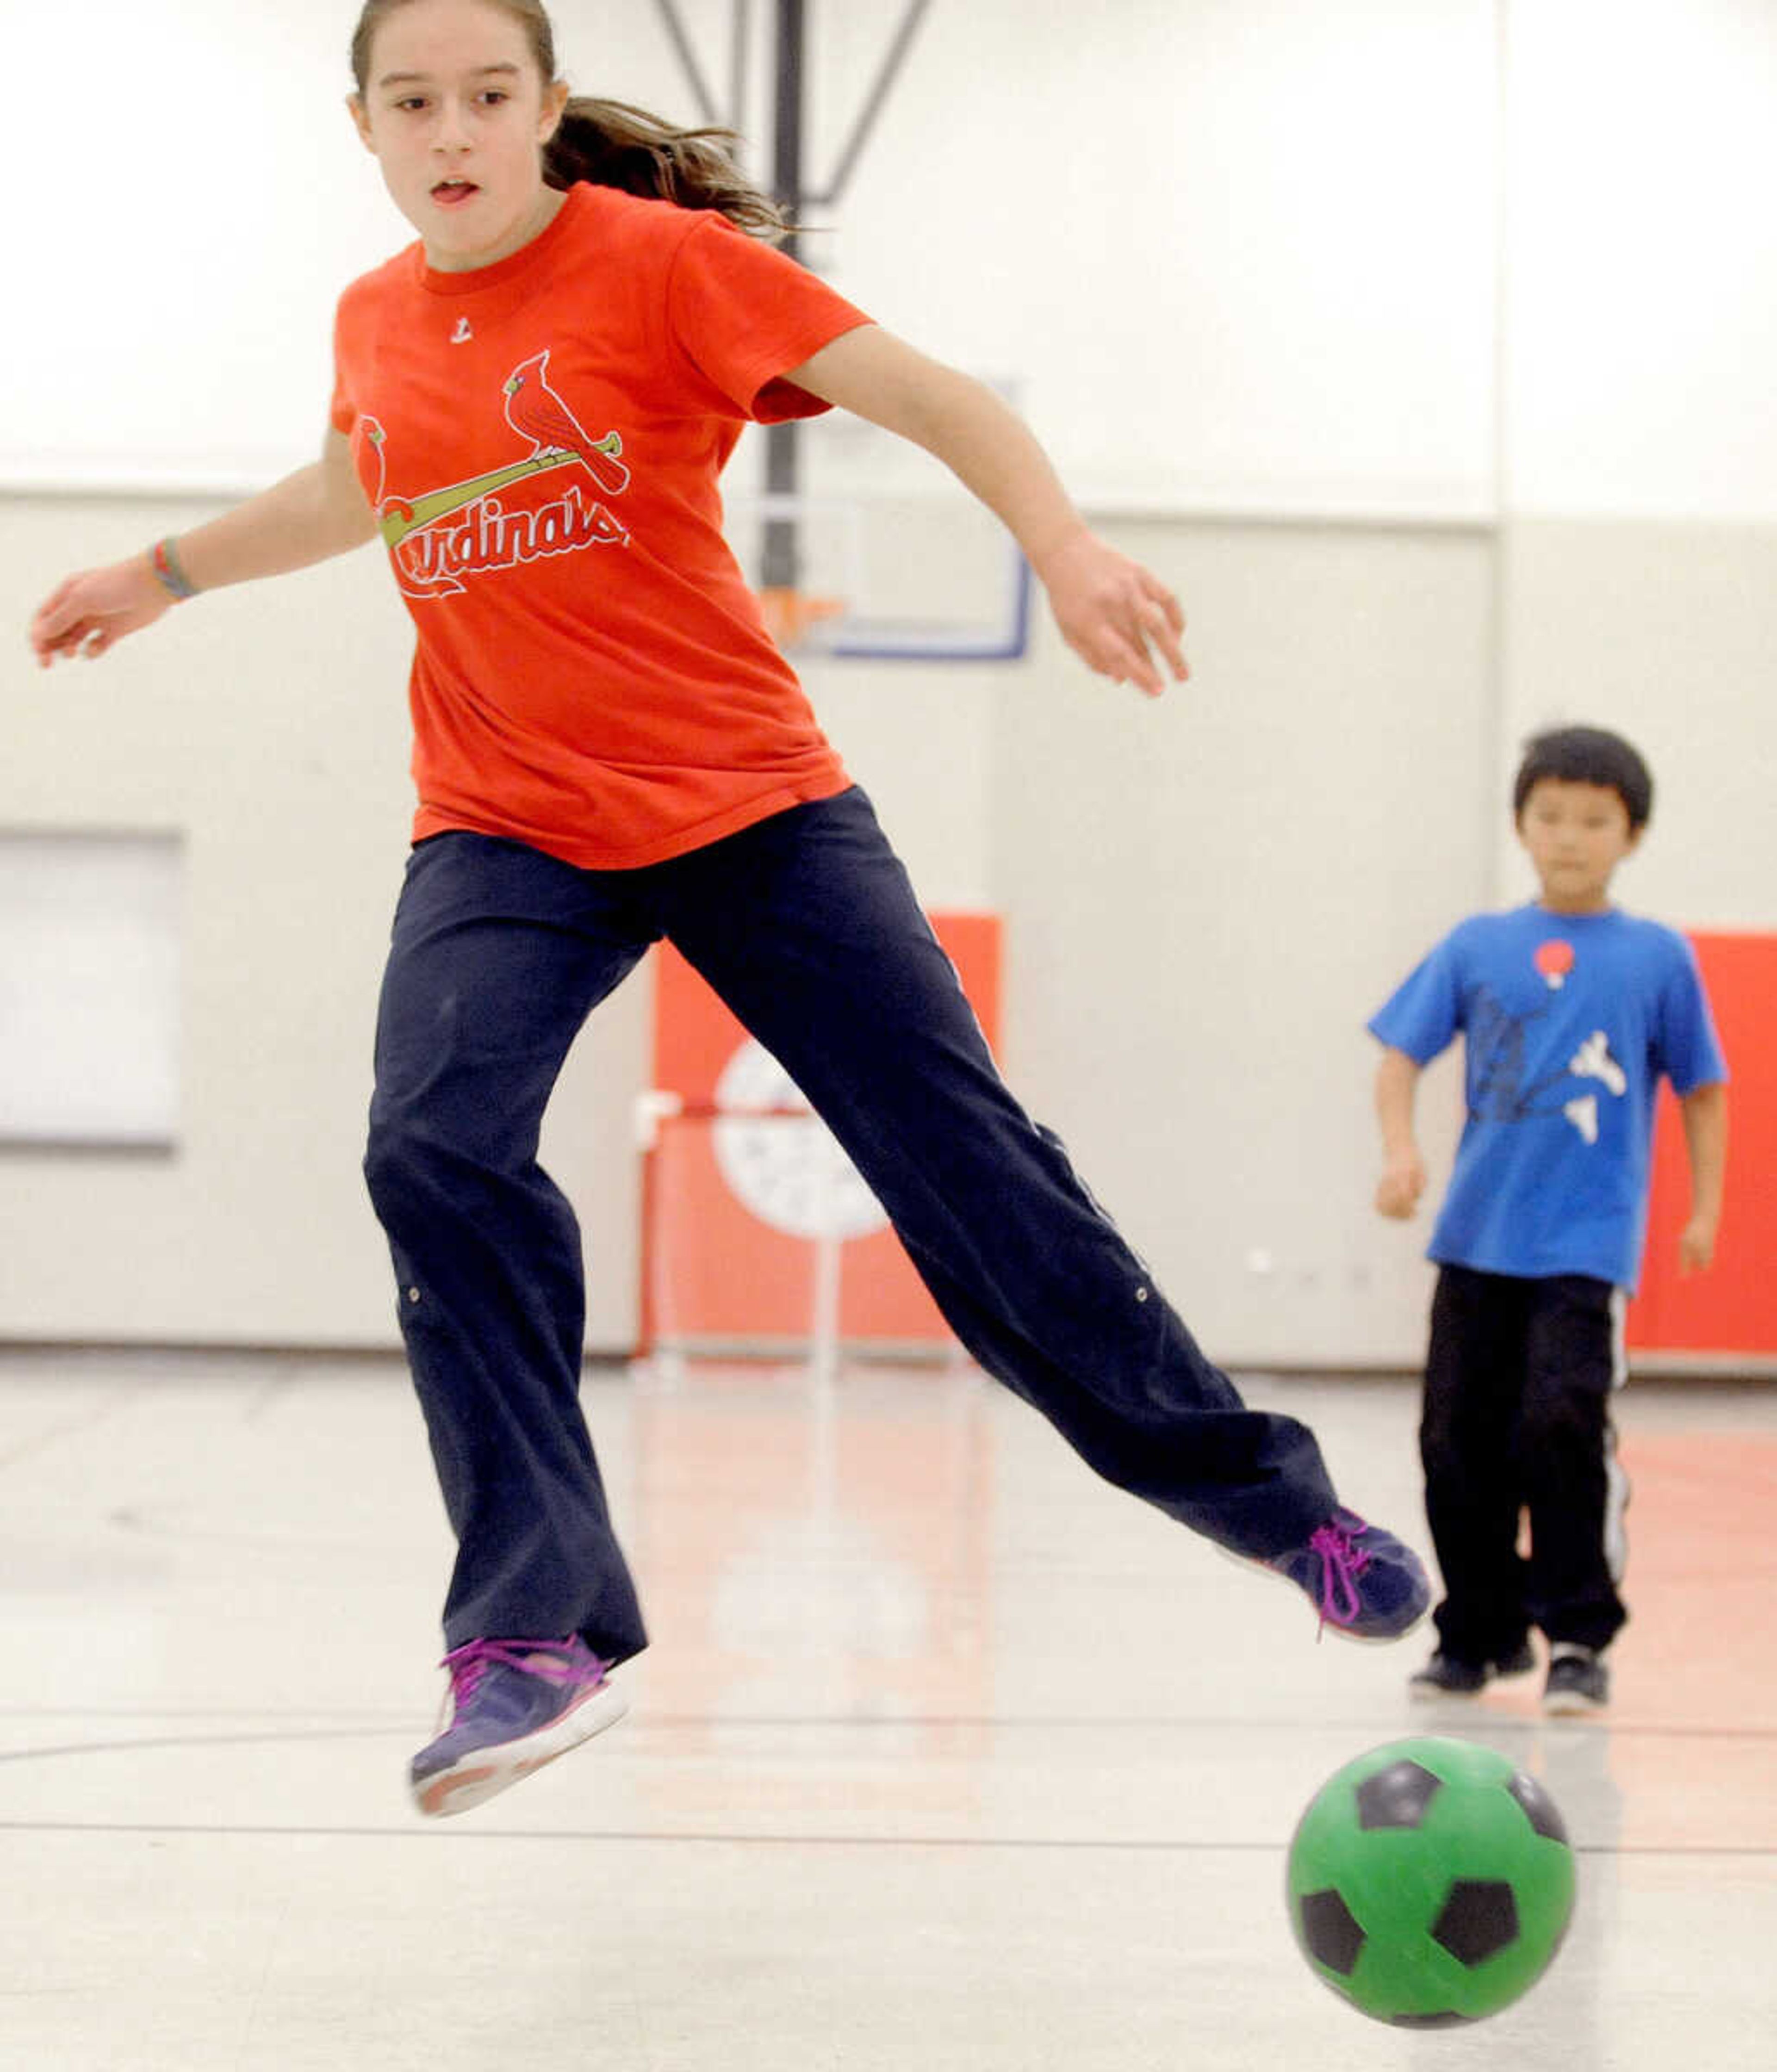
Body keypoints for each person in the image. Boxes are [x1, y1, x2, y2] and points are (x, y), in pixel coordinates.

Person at [30, 0, 1427, 1818]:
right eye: (414, 101)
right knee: (433, 1145)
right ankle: (527, 1633)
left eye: (488, 94)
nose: (452, 129)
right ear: (363, 125)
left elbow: (938, 398)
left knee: (965, 1162)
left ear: (541, 109)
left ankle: (1275, 1507)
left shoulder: (666, 268)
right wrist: (160, 572)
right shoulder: (374, 315)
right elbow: (359, 485)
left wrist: (1065, 546)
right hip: (504, 825)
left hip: (750, 807)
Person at [1368, 725, 1727, 1717]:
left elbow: (1704, 1088)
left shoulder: (1659, 957)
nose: (1570, 837)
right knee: (1455, 1438)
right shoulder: (1477, 945)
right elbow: (1399, 1058)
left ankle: (1577, 1633)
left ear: (1632, 834)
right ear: (1523, 825)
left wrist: (1705, 1208)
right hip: (1475, 1239)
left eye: (1595, 820)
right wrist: (1401, 1152)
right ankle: (1478, 1633)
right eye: (1552, 816)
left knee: (1561, 1423)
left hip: (1586, 1244)